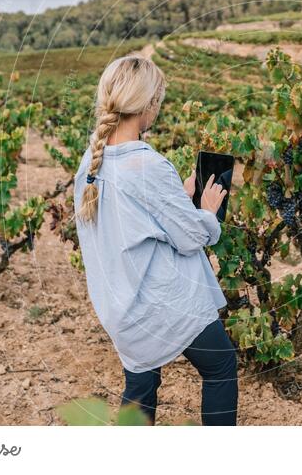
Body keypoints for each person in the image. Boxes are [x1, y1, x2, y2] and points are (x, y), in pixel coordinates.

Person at [73, 55, 238, 426]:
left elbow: (128, 224)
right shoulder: (147, 166)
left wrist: (173, 200)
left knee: (142, 380)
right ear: (149, 105)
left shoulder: (90, 163)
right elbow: (193, 237)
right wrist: (207, 211)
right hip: (160, 304)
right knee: (221, 365)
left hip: (120, 307)